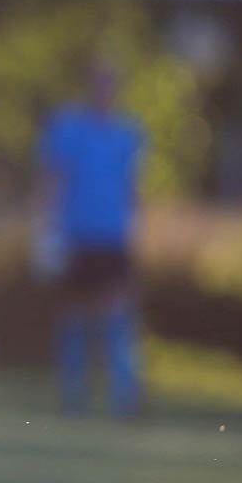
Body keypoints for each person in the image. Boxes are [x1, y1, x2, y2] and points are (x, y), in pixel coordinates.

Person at [38, 63, 144, 417]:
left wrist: (137, 227)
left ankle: (123, 398)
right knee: (74, 318)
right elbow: (54, 179)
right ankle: (74, 398)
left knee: (117, 318)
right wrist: (49, 229)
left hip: (112, 237)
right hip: (76, 236)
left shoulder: (128, 133)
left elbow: (132, 188)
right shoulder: (69, 129)